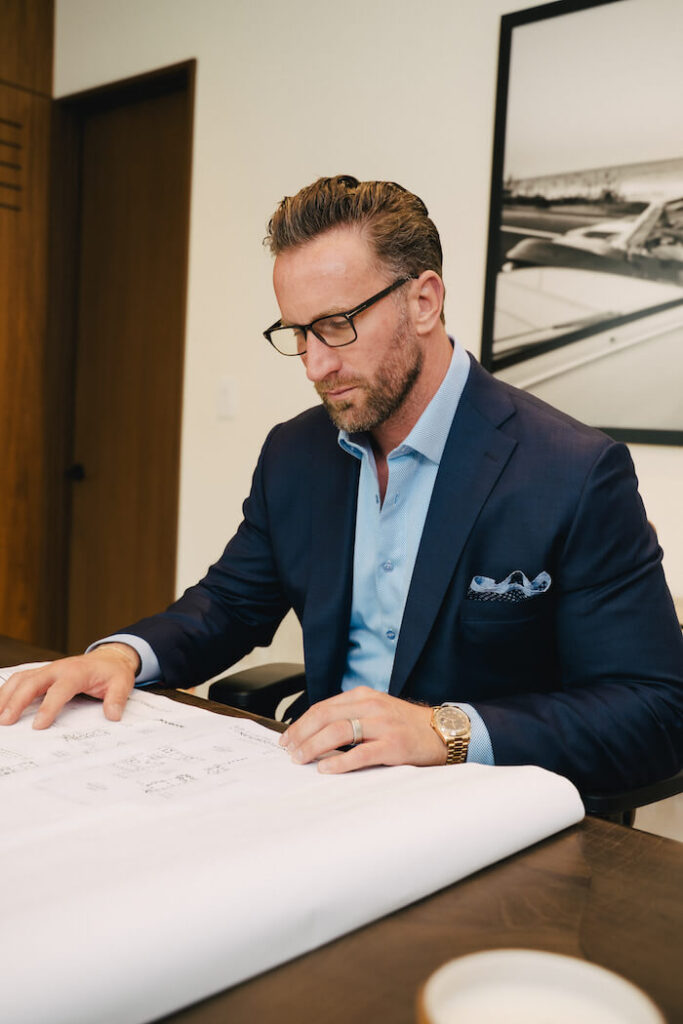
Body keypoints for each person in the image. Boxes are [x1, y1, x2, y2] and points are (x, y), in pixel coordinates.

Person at [1, 175, 681, 793]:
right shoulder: (295, 453)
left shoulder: (571, 471)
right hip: (323, 788)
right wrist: (122, 656)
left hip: (481, 806)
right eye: (298, 333)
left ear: (423, 300)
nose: (315, 365)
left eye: (336, 326)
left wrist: (443, 731)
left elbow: (655, 710)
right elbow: (229, 604)